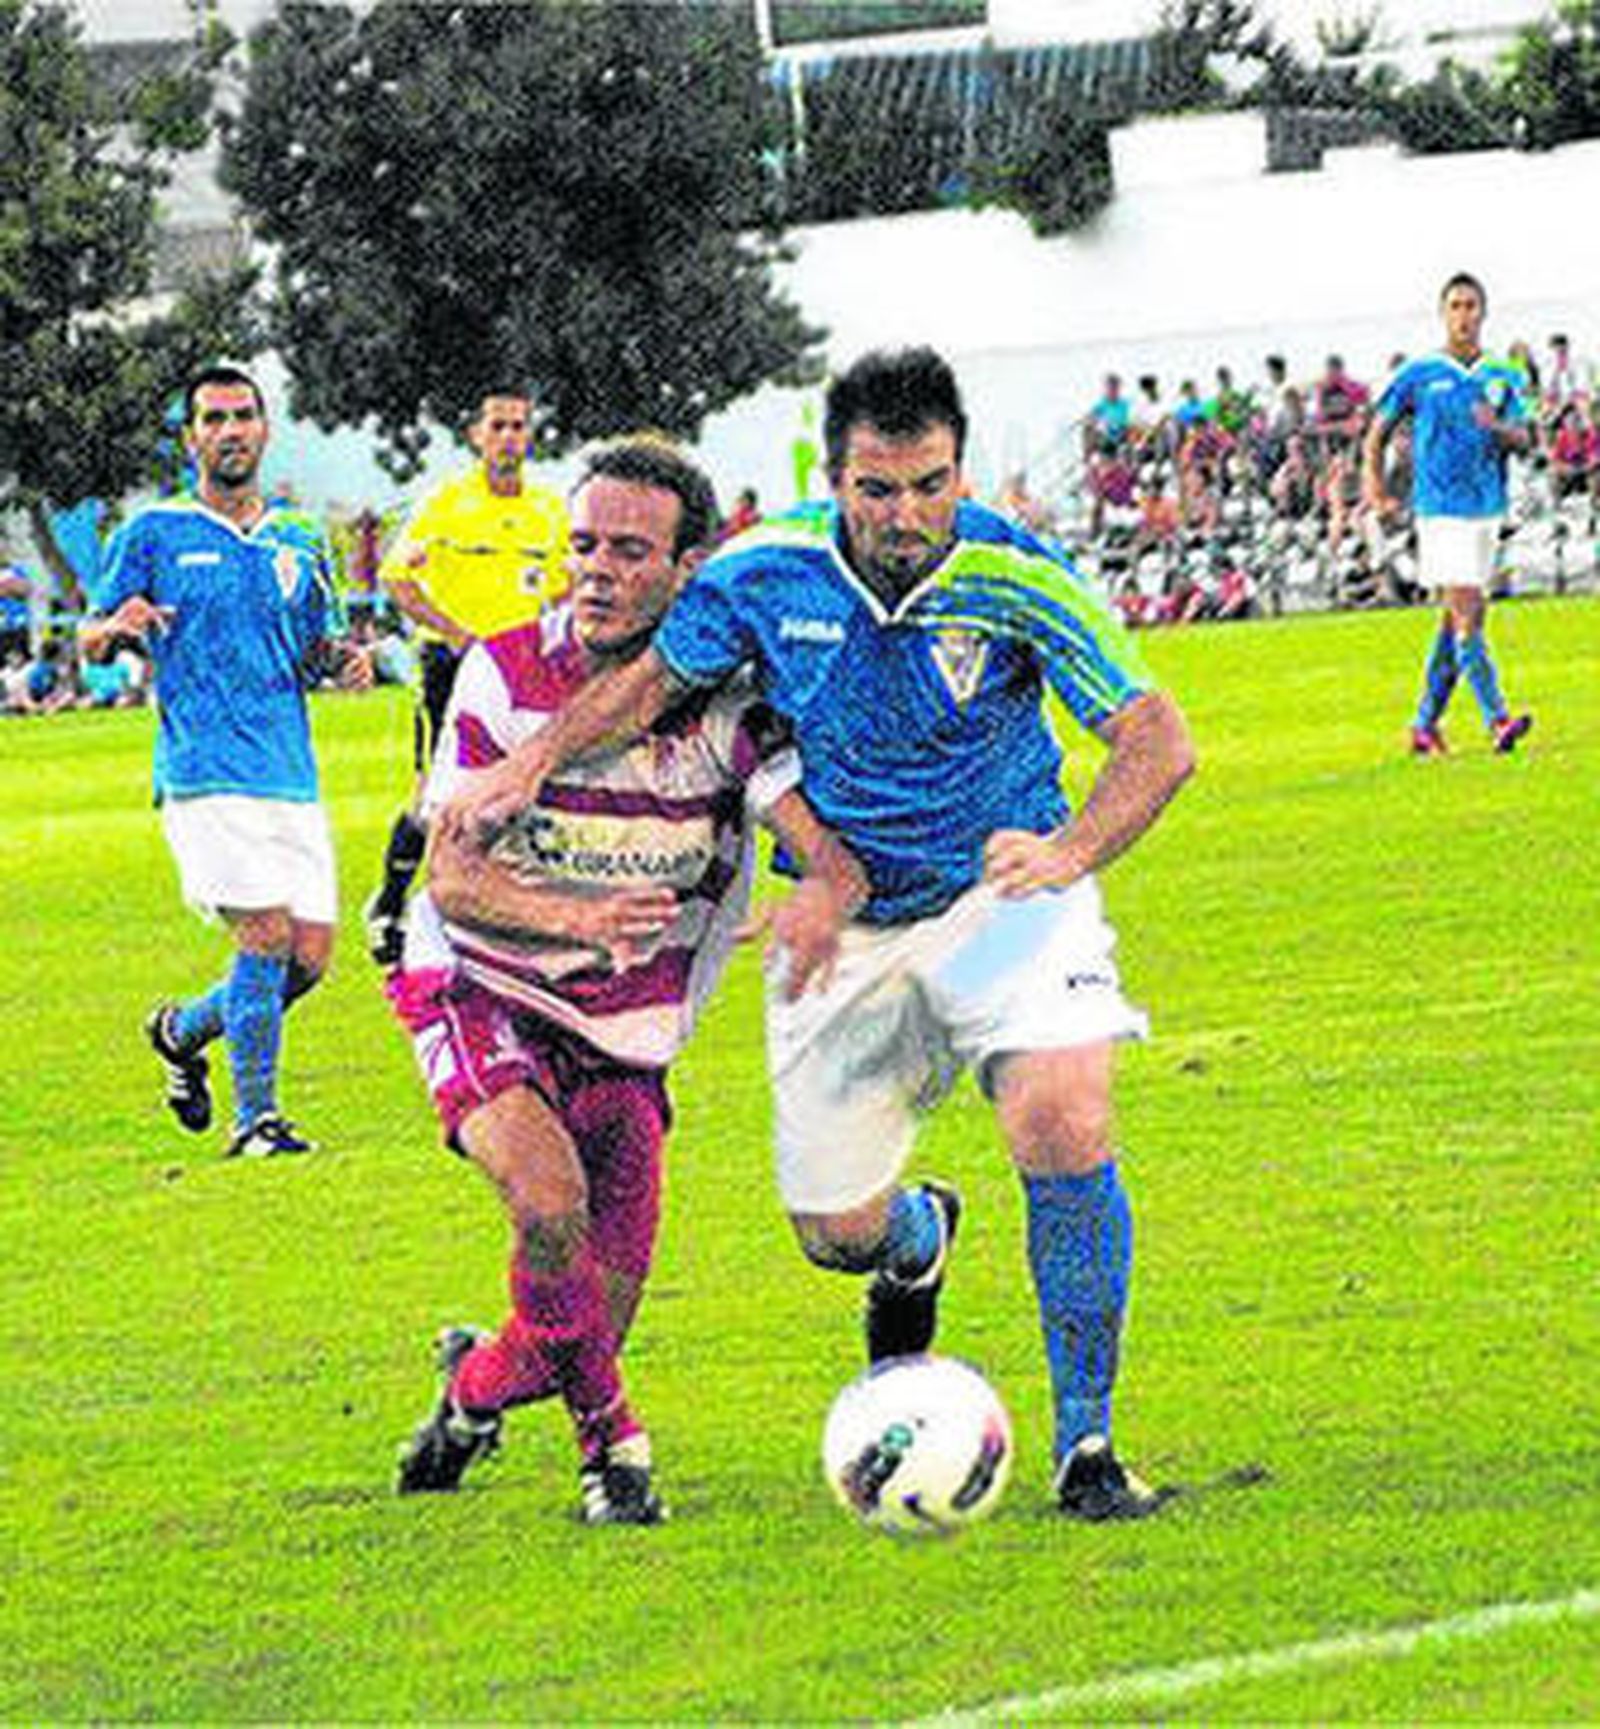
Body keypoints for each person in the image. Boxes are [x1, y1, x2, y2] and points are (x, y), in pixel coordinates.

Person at [444, 348, 1196, 1523]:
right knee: (834, 1234)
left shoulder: (1020, 575)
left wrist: (1069, 854)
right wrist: (531, 761)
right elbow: (644, 686)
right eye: (877, 490)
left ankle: (1087, 1446)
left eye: (930, 485)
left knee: (1062, 1118)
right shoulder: (763, 570)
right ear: (832, 477)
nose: (906, 516)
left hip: (1008, 899)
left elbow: (1156, 738)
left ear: (961, 469)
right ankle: (917, 1232)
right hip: (840, 927)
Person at [390, 435, 861, 1522]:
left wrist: (820, 893)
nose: (594, 569)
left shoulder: (728, 711)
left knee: (577, 1326)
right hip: (482, 987)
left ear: (688, 571)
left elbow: (824, 851)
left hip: (627, 1031)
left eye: (629, 550)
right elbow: (452, 886)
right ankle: (618, 1454)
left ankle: (469, 1395)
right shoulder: (504, 672)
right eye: (583, 544)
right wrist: (575, 915)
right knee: (545, 1204)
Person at [80, 362, 371, 1157]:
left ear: (264, 428)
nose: (230, 430)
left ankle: (180, 1032)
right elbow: (89, 634)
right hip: (202, 772)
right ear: (191, 437)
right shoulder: (152, 533)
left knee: (306, 962)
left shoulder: (298, 539)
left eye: (242, 415)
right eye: (212, 419)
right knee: (266, 936)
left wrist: (341, 662)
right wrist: (115, 628)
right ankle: (257, 1123)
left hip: (289, 770)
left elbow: (311, 647)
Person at [364, 390, 569, 968]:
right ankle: (389, 903)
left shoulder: (550, 510)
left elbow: (565, 584)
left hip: (525, 672)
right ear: (477, 435)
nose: (509, 437)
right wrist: (456, 634)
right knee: (435, 798)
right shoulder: (446, 504)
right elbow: (398, 580)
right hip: (452, 665)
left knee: (527, 789)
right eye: (498, 426)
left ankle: (507, 916)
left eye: (519, 426)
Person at [1363, 272, 1533, 756]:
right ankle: (1496, 718)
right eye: (1455, 306)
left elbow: (1526, 438)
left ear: (1484, 312)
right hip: (1439, 509)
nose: (1464, 315)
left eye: (1471, 305)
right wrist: (1375, 486)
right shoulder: (1420, 373)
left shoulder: (1503, 375)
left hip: (1487, 507)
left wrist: (1498, 427)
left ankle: (1423, 724)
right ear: (1443, 313)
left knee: (1458, 615)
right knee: (1467, 611)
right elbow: (1377, 430)